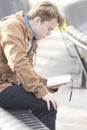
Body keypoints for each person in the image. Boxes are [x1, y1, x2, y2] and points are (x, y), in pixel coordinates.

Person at [0, 1, 64, 130]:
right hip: (2, 86)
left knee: (46, 102)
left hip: (7, 83)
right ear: (38, 20)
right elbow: (18, 62)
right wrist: (41, 91)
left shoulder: (29, 34)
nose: (50, 33)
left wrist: (45, 84)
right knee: (47, 105)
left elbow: (26, 70)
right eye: (49, 28)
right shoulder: (12, 26)